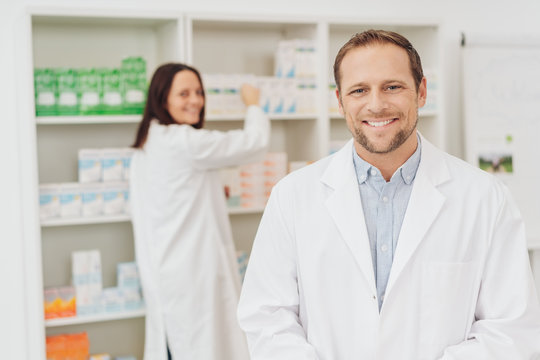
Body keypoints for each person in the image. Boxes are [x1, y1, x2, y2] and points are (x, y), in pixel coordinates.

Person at [237, 30, 540, 359]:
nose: (376, 104)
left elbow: (510, 331)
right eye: (359, 90)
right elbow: (267, 319)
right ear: (339, 101)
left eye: (392, 87)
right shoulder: (292, 197)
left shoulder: (485, 198)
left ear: (421, 92)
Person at [130, 63, 270, 360]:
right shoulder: (184, 141)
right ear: (162, 98)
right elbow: (254, 144)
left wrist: (209, 191)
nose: (195, 100)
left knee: (179, 345)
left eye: (198, 92)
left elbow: (170, 195)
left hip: (167, 271)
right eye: (184, 93)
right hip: (191, 274)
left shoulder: (148, 143)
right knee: (200, 347)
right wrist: (254, 105)